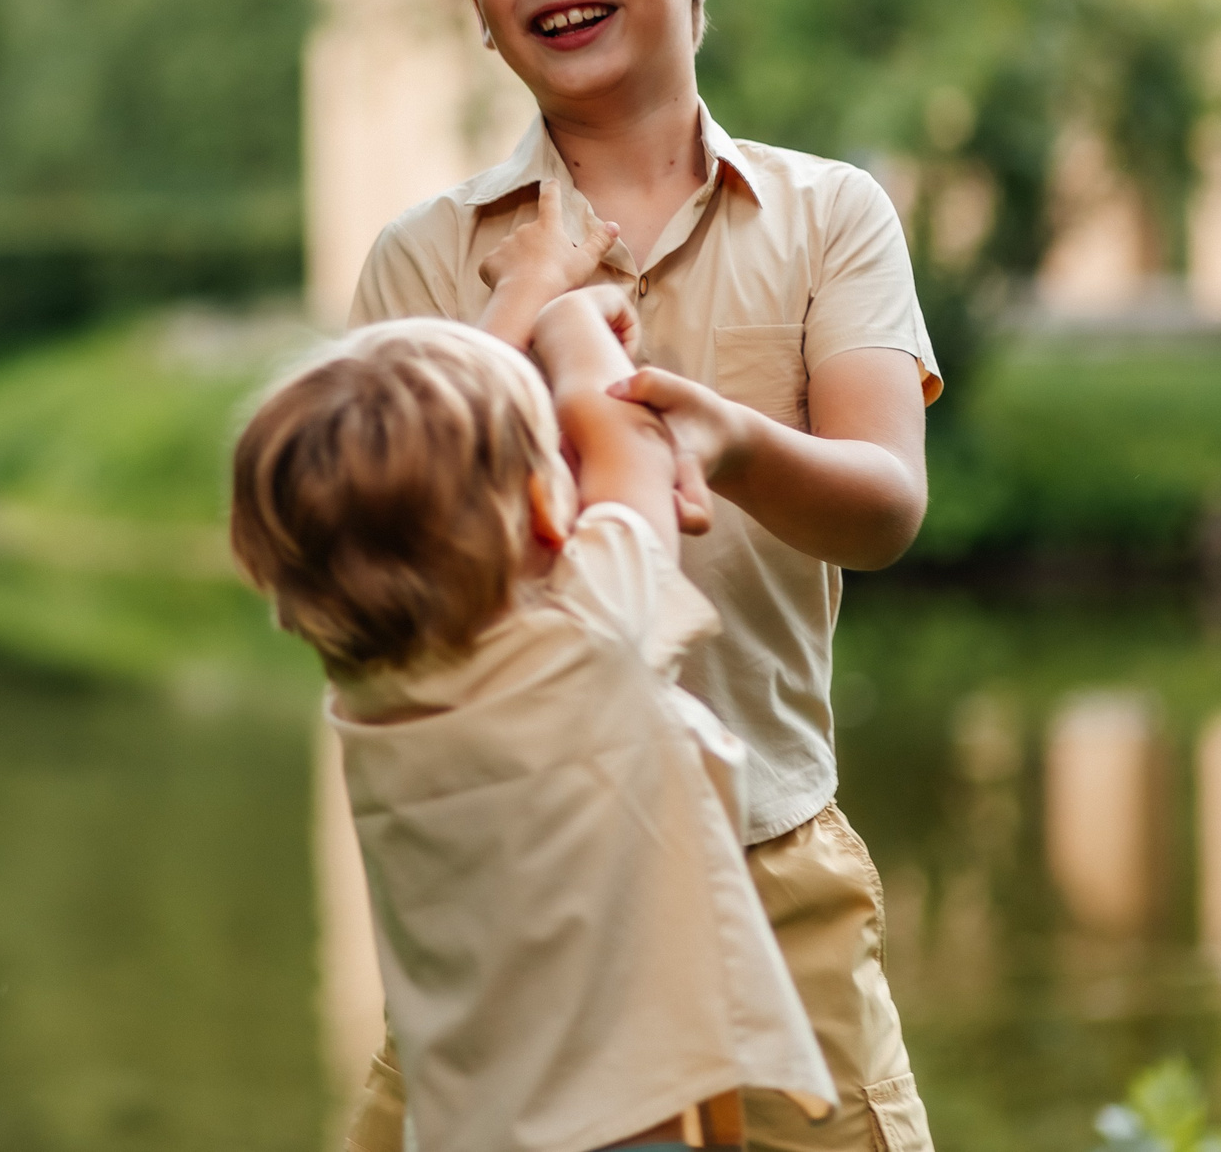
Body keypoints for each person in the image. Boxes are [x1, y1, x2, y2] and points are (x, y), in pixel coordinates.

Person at [346, 0, 940, 1152]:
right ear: (477, 2)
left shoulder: (829, 214)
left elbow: (884, 507)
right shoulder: (426, 257)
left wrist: (733, 442)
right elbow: (397, 559)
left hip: (769, 852)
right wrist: (517, 309)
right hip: (521, 875)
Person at [232, 302, 834, 1152]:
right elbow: (630, 440)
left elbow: (398, 503)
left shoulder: (367, 690)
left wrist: (529, 293)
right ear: (548, 507)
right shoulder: (587, 637)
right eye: (555, 452)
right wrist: (570, 318)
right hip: (621, 1131)